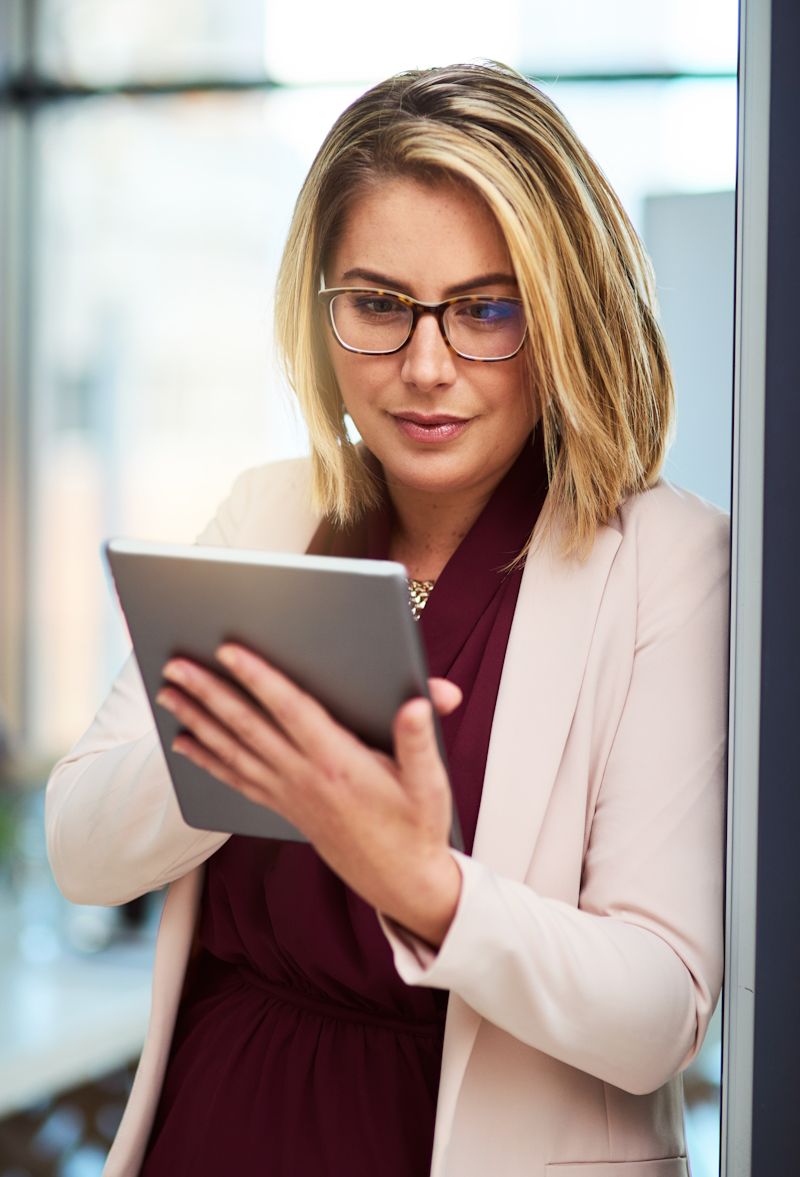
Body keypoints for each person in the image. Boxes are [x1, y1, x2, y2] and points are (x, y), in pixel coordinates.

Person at [45, 61, 729, 1177]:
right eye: (376, 304)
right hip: (212, 1130)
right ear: (322, 311)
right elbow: (80, 847)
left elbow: (656, 1013)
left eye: (484, 310)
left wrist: (426, 884)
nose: (424, 367)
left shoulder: (669, 562)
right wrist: (245, 745)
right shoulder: (272, 509)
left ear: (564, 312)